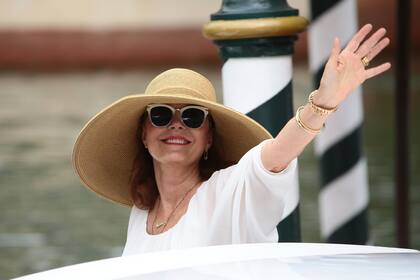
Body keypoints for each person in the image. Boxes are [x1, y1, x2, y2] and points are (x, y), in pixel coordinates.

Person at [72, 24, 390, 255]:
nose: (176, 125)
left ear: (209, 137)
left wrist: (324, 101)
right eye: (160, 115)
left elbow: (278, 154)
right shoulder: (143, 213)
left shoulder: (232, 190)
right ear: (144, 134)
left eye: (193, 117)